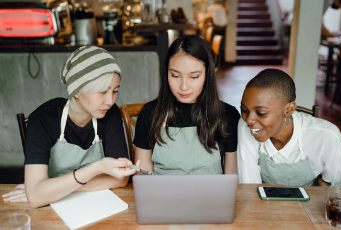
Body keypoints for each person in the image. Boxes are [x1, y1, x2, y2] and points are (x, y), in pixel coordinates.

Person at [2, 46, 137, 208]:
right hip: (49, 210)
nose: (110, 100)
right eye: (102, 91)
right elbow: (36, 198)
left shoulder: (110, 114)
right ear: (76, 91)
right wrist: (97, 168)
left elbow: (120, 179)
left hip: (92, 204)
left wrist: (51, 191)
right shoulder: (43, 119)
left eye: (115, 91)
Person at [133, 35, 240, 175]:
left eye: (194, 77)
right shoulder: (149, 114)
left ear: (207, 75)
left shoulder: (228, 115)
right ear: (166, 74)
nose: (184, 87)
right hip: (162, 196)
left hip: (211, 196)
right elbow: (142, 173)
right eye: (175, 76)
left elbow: (231, 174)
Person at [237, 68, 341, 186]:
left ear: (289, 110)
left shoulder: (326, 135)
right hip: (264, 202)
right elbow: (249, 188)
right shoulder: (245, 127)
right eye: (244, 110)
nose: (249, 119)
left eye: (261, 113)